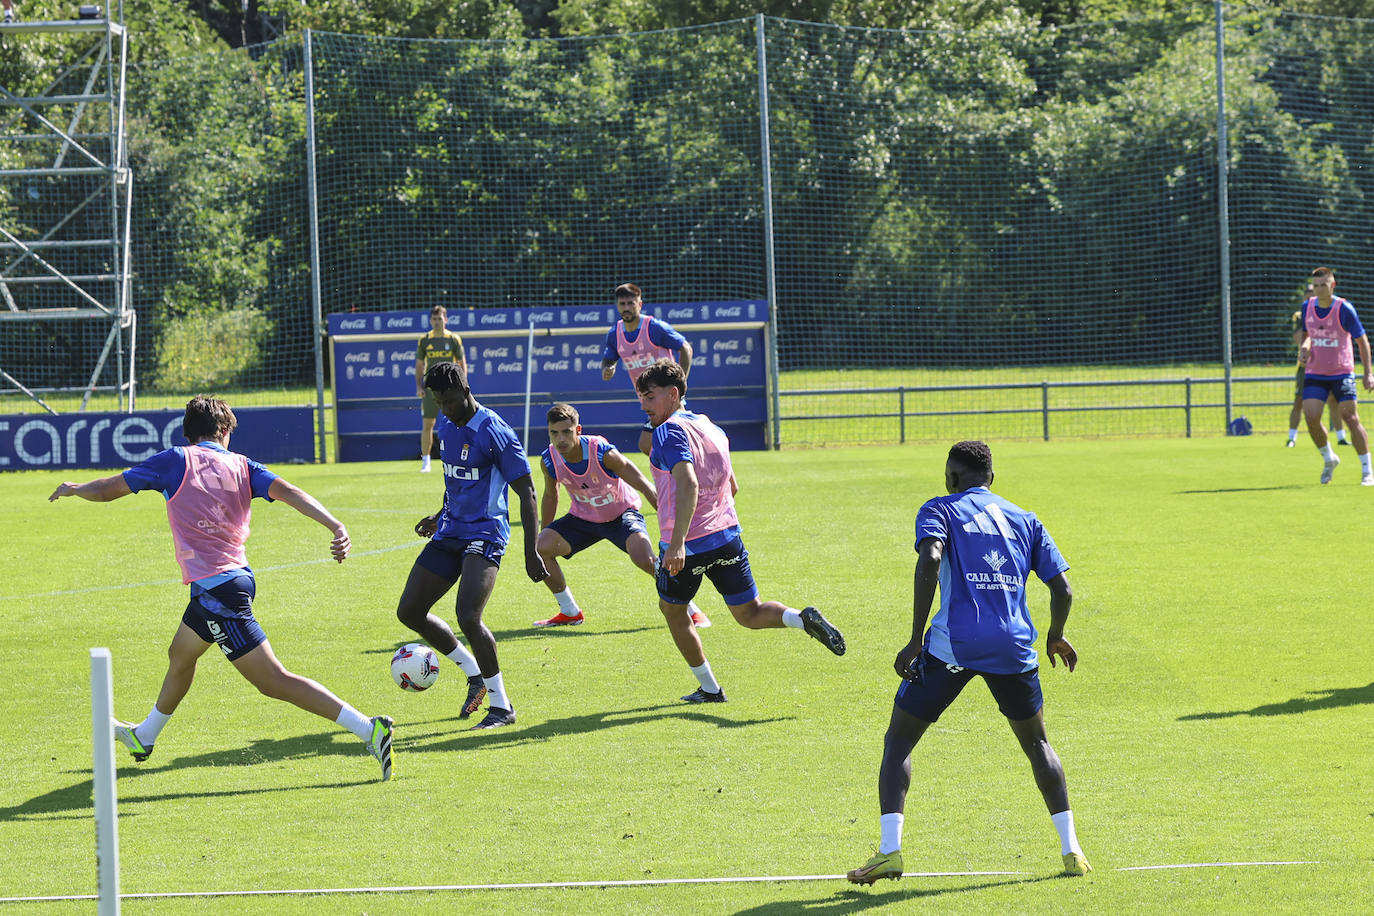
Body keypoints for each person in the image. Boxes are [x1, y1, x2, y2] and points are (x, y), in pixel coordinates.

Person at [47, 396, 393, 780]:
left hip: (218, 592)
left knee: (272, 680)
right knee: (181, 655)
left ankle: (369, 728)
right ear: (224, 431)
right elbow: (291, 492)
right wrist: (336, 526)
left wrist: (75, 488)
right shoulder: (243, 465)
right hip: (231, 582)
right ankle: (144, 736)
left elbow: (108, 489)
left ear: (188, 432)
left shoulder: (175, 460)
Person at [846, 440, 1089, 884]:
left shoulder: (940, 508)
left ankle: (890, 851)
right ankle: (1072, 850)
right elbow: (1064, 589)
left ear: (951, 477)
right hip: (1014, 648)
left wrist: (914, 639)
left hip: (953, 646)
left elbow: (930, 559)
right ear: (991, 478)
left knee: (900, 739)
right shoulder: (1026, 518)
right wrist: (1055, 635)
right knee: (1038, 744)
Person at [635, 358, 845, 703]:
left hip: (687, 544)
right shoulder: (710, 426)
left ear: (673, 394)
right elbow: (732, 486)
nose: (644, 406)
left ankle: (710, 689)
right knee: (750, 613)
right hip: (727, 536)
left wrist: (677, 543)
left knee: (672, 610)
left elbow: (688, 483)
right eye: (641, 398)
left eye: (650, 397)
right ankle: (801, 619)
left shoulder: (668, 431)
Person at [395, 362, 548, 730]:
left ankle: (501, 707)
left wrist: (532, 550)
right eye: (438, 402)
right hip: (450, 532)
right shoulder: (446, 427)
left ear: (466, 390)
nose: (445, 409)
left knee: (468, 615)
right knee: (410, 611)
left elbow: (527, 492)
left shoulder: (495, 431)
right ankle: (474, 674)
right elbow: (456, 481)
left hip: (486, 533)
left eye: (449, 400)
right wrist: (439, 515)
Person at [531, 402, 710, 629]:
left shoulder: (601, 452)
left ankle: (691, 609)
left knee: (644, 559)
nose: (561, 440)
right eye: (554, 433)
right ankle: (569, 612)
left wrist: (672, 524)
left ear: (578, 430)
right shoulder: (549, 460)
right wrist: (545, 532)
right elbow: (551, 496)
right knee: (541, 549)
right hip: (583, 518)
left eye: (566, 432)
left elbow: (643, 484)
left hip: (622, 514)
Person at [1296, 267, 1374, 485]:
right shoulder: (1307, 307)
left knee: (1350, 418)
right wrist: (1304, 349)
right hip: (1315, 372)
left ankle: (1367, 470)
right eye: (1316, 286)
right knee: (1311, 417)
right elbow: (1308, 335)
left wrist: (1368, 373)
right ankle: (1329, 458)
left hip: (1342, 372)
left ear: (1333, 285)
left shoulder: (1344, 309)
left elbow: (1362, 341)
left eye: (1324, 285)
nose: (1320, 289)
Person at [601, 283, 694, 456]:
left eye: (631, 303)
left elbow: (685, 348)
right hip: (649, 400)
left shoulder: (654, 327)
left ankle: (682, 467)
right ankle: (675, 467)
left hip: (668, 397)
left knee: (654, 442)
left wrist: (680, 383)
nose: (626, 308)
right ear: (617, 306)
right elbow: (608, 360)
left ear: (640, 304)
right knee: (648, 445)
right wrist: (607, 368)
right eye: (622, 304)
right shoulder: (615, 334)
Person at [1288, 285, 1347, 447]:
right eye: (1307, 297)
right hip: (1307, 366)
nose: (1309, 299)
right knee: (1299, 400)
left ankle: (1341, 437)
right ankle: (1292, 438)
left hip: (1328, 365)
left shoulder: (1329, 312)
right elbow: (1298, 338)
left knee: (1334, 400)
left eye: (1312, 296)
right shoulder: (1300, 316)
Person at [416, 304, 467, 473]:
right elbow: (419, 365)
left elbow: (461, 363)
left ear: (446, 320)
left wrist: (463, 385)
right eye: (434, 319)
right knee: (427, 424)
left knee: (458, 423)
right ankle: (426, 462)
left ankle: (461, 458)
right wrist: (419, 386)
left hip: (451, 389)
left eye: (440, 318)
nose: (437, 322)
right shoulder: (425, 340)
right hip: (431, 390)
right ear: (430, 321)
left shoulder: (453, 339)